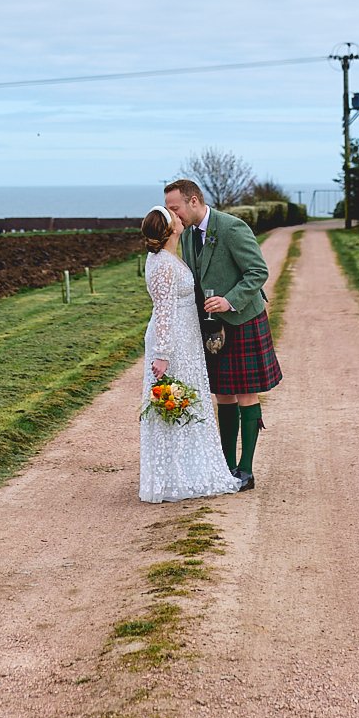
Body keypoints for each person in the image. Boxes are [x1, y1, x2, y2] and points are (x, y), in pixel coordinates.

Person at [164, 178, 282, 489]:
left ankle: (246, 469)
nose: (172, 215)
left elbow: (258, 271)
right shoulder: (188, 235)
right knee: (223, 394)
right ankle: (226, 465)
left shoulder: (231, 227)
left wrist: (230, 300)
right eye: (168, 209)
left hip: (242, 320)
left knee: (245, 392)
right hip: (211, 326)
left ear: (194, 201)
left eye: (175, 208)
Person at [139, 204, 242, 504]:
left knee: (191, 401)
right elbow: (164, 312)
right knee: (174, 401)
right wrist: (163, 354)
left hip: (187, 339)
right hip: (173, 343)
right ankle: (174, 477)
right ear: (170, 229)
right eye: (173, 215)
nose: (179, 215)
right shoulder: (161, 264)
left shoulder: (169, 257)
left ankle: (190, 470)